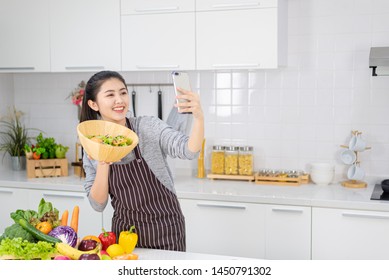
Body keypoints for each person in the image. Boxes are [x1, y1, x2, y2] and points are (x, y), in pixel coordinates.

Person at [80, 70, 204, 252]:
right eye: (110, 95)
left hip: (167, 231)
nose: (120, 100)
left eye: (123, 92)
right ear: (93, 104)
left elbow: (188, 151)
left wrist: (199, 117)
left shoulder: (147, 127)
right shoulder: (92, 144)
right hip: (125, 237)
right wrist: (103, 161)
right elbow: (98, 204)